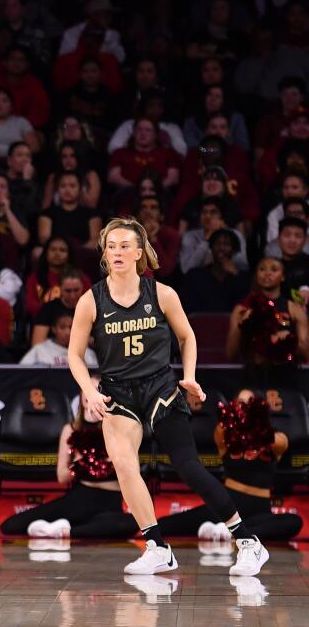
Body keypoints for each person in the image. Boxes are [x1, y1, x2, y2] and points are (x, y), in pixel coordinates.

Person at [67, 217, 269, 576]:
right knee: (125, 464)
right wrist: (88, 390)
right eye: (111, 246)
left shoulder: (161, 293)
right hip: (117, 392)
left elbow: (187, 338)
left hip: (160, 386)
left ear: (140, 251)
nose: (117, 252)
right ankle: (158, 547)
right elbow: (74, 355)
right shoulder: (91, 299)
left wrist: (189, 378)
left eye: (124, 245)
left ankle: (248, 541)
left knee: (188, 467)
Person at [155, 391, 302, 542]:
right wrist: (238, 421)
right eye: (240, 402)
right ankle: (233, 530)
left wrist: (255, 424)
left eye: (248, 402)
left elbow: (280, 442)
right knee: (164, 526)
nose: (244, 407)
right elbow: (220, 431)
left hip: (260, 510)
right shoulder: (225, 430)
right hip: (227, 504)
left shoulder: (277, 436)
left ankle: (230, 532)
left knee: (294, 522)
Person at [0, 385, 133, 538]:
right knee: (11, 525)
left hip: (111, 503)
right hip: (79, 499)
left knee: (131, 524)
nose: (92, 395)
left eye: (98, 391)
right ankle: (73, 528)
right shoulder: (71, 430)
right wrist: (81, 463)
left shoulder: (119, 428)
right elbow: (62, 477)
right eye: (88, 392)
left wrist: (105, 459)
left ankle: (67, 531)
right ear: (82, 399)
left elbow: (129, 472)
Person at [226, 257, 309, 389]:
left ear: (283, 276)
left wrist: (288, 339)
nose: (267, 273)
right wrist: (243, 324)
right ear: (256, 275)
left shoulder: (294, 309)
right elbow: (231, 353)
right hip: (253, 375)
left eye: (274, 269)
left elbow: (305, 354)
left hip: (286, 376)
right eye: (262, 269)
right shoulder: (242, 309)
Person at [180, 229, 250, 314]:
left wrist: (235, 275)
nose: (221, 248)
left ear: (234, 250)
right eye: (217, 244)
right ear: (211, 248)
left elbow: (244, 308)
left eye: (227, 244)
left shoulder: (243, 278)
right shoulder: (195, 275)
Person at [20, 313, 97, 367]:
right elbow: (22, 372)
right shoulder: (39, 350)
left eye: (71, 327)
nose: (67, 332)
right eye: (62, 327)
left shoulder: (86, 352)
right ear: (54, 329)